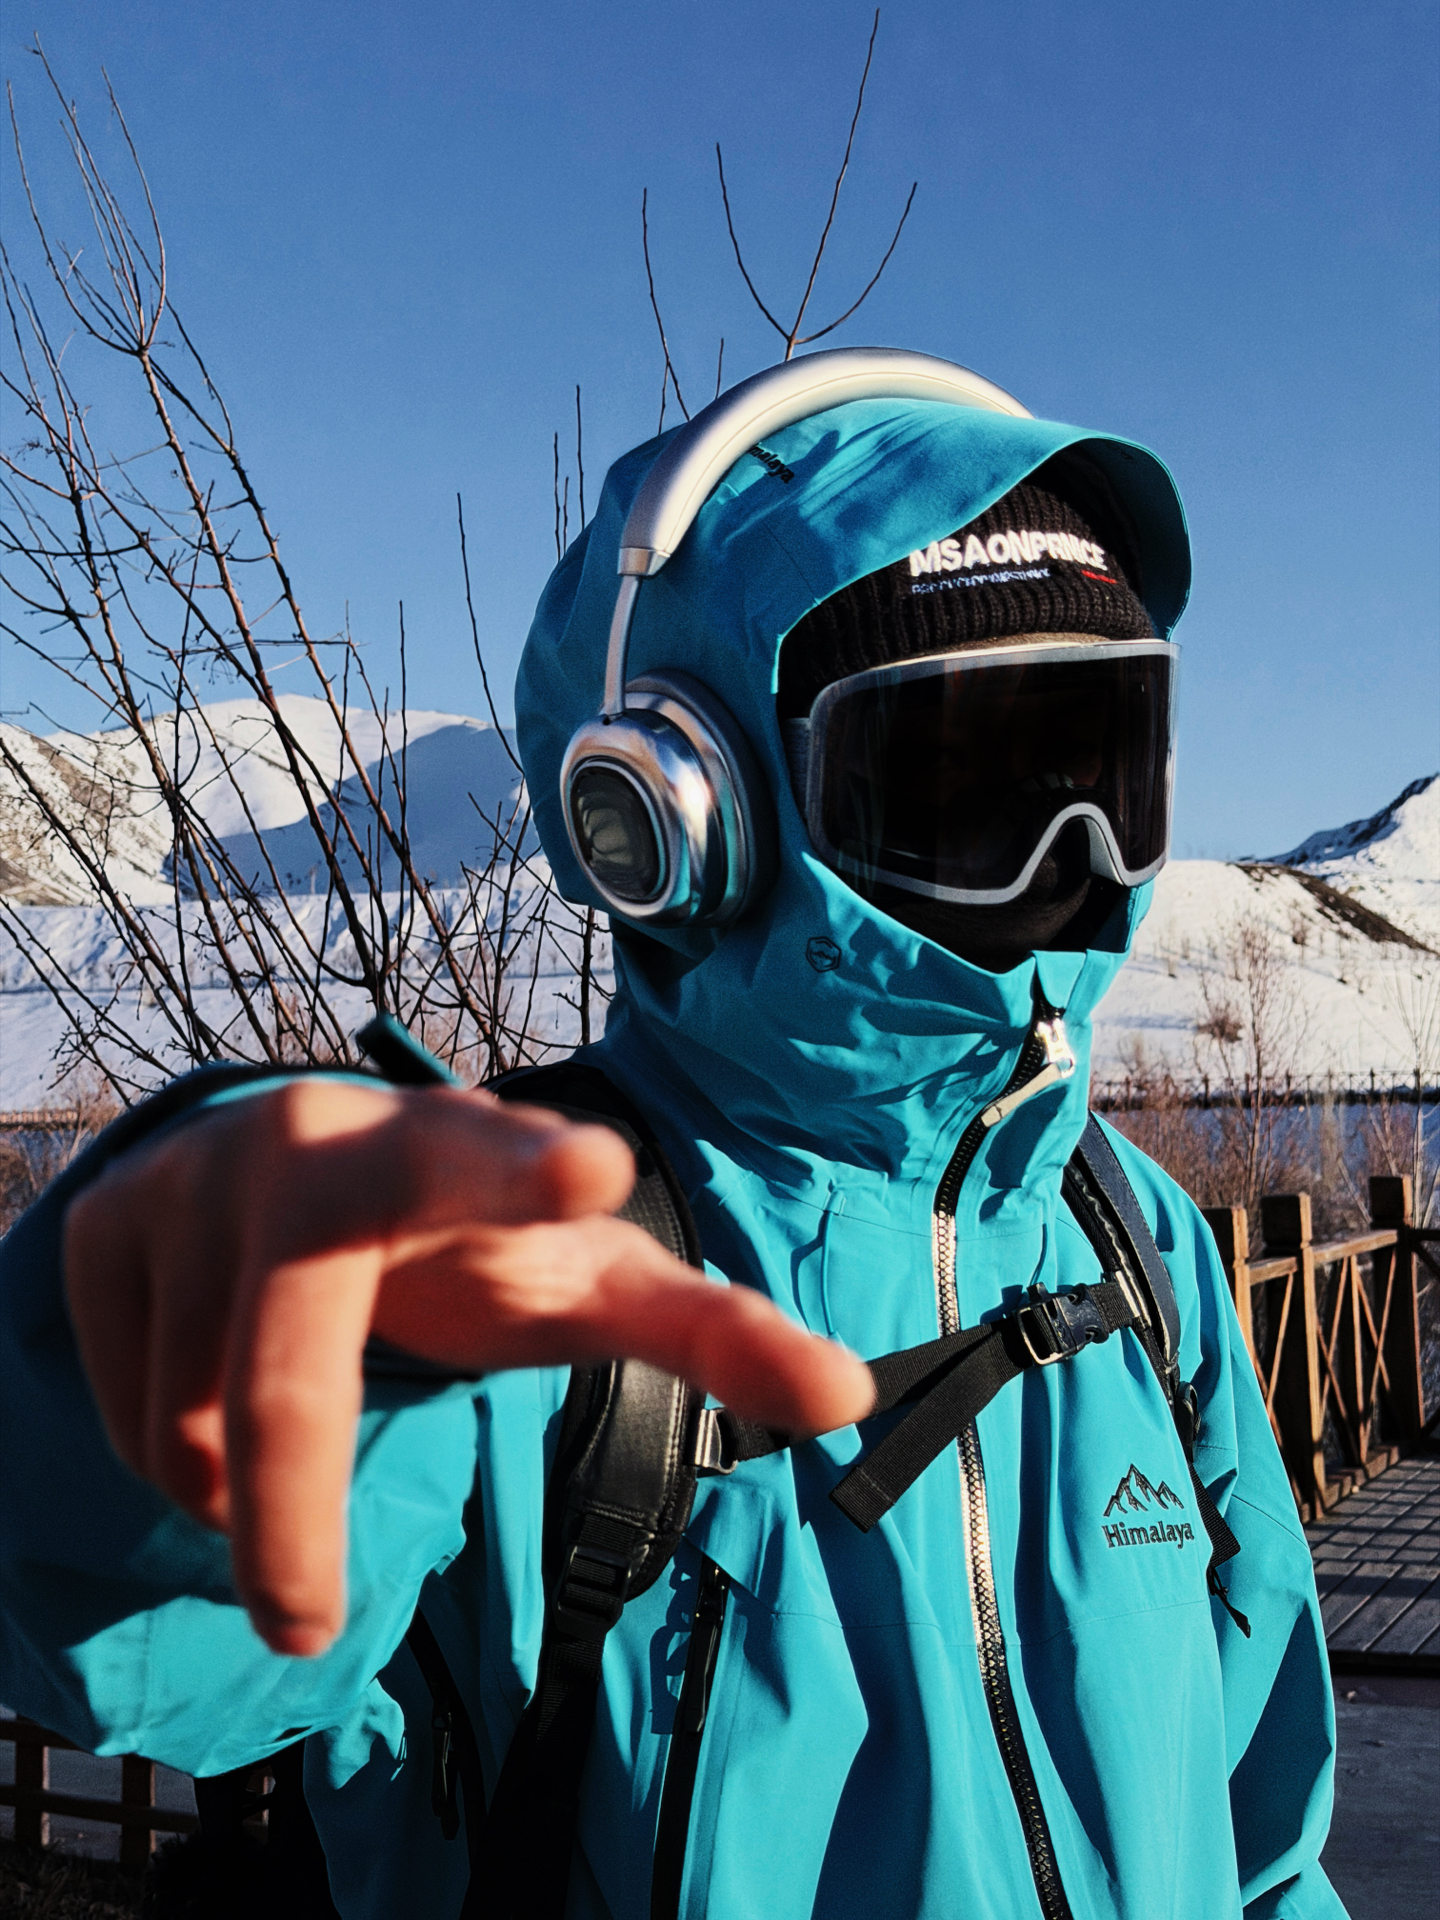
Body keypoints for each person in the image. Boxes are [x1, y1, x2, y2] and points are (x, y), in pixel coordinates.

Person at [0, 351, 1345, 1920]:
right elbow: (148, 1653)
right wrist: (169, 1338)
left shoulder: (1131, 1240)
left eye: (1099, 760)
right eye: (965, 780)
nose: (1075, 854)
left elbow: (1266, 1838)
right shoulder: (525, 1273)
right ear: (680, 816)